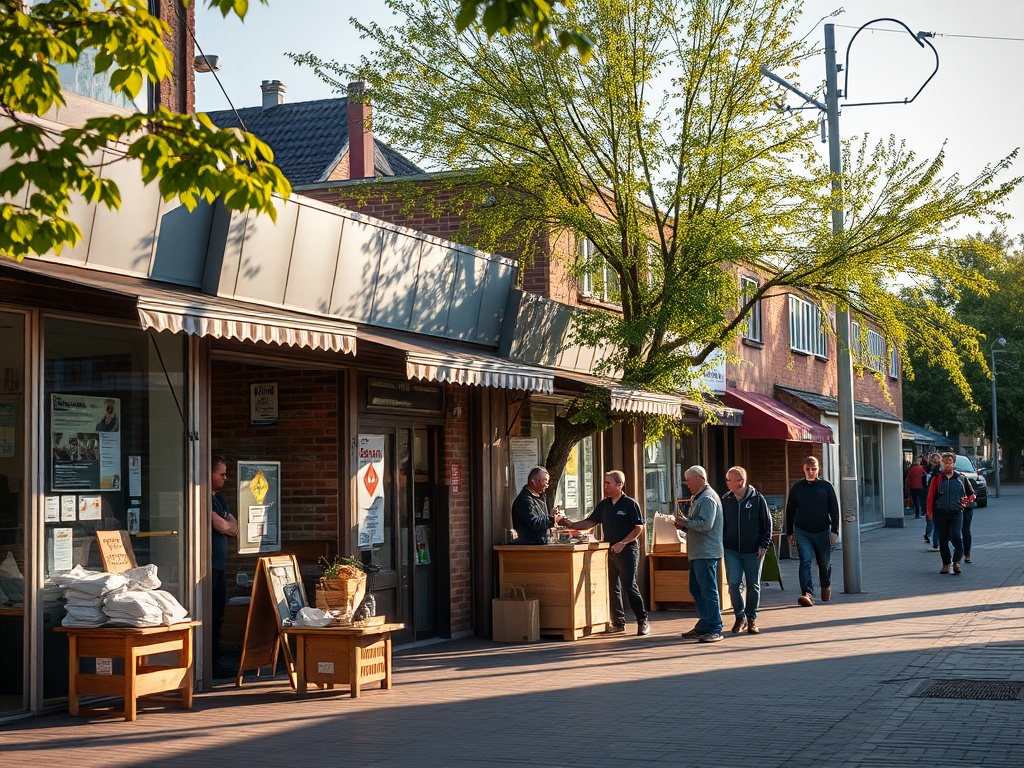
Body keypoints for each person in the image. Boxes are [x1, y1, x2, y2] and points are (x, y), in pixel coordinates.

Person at [563, 470, 650, 636]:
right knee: (612, 587)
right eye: (604, 483)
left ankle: (642, 620)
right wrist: (571, 524)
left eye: (608, 483)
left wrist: (623, 543)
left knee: (629, 586)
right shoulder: (604, 505)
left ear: (619, 484)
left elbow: (639, 527)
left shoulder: (630, 504)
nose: (605, 487)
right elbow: (591, 521)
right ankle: (618, 622)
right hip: (609, 551)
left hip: (627, 550)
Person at [675, 465, 725, 643]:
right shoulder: (699, 497)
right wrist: (685, 525)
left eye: (688, 479)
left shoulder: (708, 498)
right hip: (697, 552)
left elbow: (706, 525)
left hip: (706, 552)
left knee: (708, 590)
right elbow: (698, 525)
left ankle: (715, 627)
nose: (686, 483)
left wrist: (686, 522)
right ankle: (705, 623)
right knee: (696, 589)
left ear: (700, 479)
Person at [721, 466, 772, 635]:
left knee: (753, 585)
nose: (727, 482)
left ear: (740, 482)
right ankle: (739, 616)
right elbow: (722, 525)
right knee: (734, 583)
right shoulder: (726, 500)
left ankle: (752, 618)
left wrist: (763, 545)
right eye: (727, 479)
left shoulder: (758, 499)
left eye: (730, 479)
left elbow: (767, 524)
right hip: (731, 550)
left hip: (753, 551)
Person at [786, 456, 839, 607]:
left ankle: (825, 585)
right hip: (803, 531)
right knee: (805, 562)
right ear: (803, 468)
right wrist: (790, 531)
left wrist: (834, 530)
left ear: (818, 469)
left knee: (824, 564)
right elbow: (790, 511)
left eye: (814, 469)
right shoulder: (797, 488)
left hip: (822, 531)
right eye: (808, 469)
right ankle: (807, 593)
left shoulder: (826, 487)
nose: (811, 472)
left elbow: (834, 510)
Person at [925, 451, 975, 575]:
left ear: (953, 463)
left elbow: (972, 494)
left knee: (957, 537)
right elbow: (930, 496)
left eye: (950, 463)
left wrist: (967, 500)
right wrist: (929, 512)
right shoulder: (936, 479)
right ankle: (946, 564)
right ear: (941, 463)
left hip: (956, 512)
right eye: (945, 463)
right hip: (940, 513)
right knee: (942, 539)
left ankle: (956, 561)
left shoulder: (961, 478)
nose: (947, 465)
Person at [211, 456, 238, 676]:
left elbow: (234, 528)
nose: (225, 478)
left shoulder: (220, 500)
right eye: (221, 473)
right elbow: (219, 524)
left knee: (219, 611)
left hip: (220, 564)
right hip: (206, 565)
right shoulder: (204, 499)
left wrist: (227, 526)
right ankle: (209, 660)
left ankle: (216, 657)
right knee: (210, 612)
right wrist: (227, 525)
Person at [511, 466, 568, 544]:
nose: (547, 485)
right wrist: (554, 519)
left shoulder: (540, 497)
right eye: (545, 481)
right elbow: (534, 523)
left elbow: (541, 519)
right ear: (534, 481)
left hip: (539, 543)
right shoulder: (524, 500)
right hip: (529, 546)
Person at [924, 452, 943, 550]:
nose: (935, 461)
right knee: (936, 524)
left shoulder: (936, 472)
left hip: (935, 501)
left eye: (936, 459)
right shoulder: (937, 473)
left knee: (935, 524)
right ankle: (935, 541)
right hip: (936, 502)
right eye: (933, 460)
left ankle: (935, 542)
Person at [906, 456, 927, 521]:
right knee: (921, 500)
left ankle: (917, 513)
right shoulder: (921, 469)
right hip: (920, 486)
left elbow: (908, 479)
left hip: (913, 487)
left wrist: (908, 487)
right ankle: (923, 512)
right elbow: (925, 476)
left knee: (915, 501)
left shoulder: (911, 469)